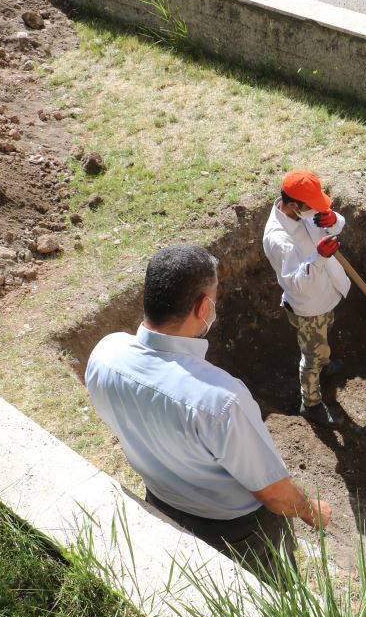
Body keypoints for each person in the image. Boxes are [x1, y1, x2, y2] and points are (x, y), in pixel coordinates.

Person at [85, 244, 332, 581]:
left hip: (162, 502)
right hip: (238, 532)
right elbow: (273, 492)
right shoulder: (220, 399)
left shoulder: (105, 355)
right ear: (203, 307)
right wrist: (310, 511)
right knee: (271, 597)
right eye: (213, 299)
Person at [262, 169, 350, 429]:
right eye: (310, 206)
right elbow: (297, 283)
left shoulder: (302, 211)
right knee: (311, 356)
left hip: (326, 292)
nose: (315, 210)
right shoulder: (279, 240)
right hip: (309, 307)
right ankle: (310, 404)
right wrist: (319, 257)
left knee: (324, 335)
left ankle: (324, 363)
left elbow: (332, 225)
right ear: (292, 205)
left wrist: (334, 219)